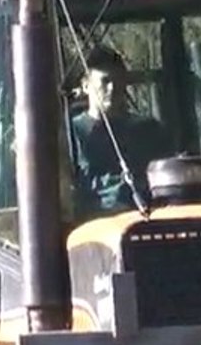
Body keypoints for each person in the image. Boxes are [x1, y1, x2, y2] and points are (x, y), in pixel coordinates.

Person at [69, 46, 173, 217]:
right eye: (105, 81)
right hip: (92, 225)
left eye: (118, 81)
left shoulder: (148, 130)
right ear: (86, 85)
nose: (112, 88)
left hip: (145, 217)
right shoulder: (70, 133)